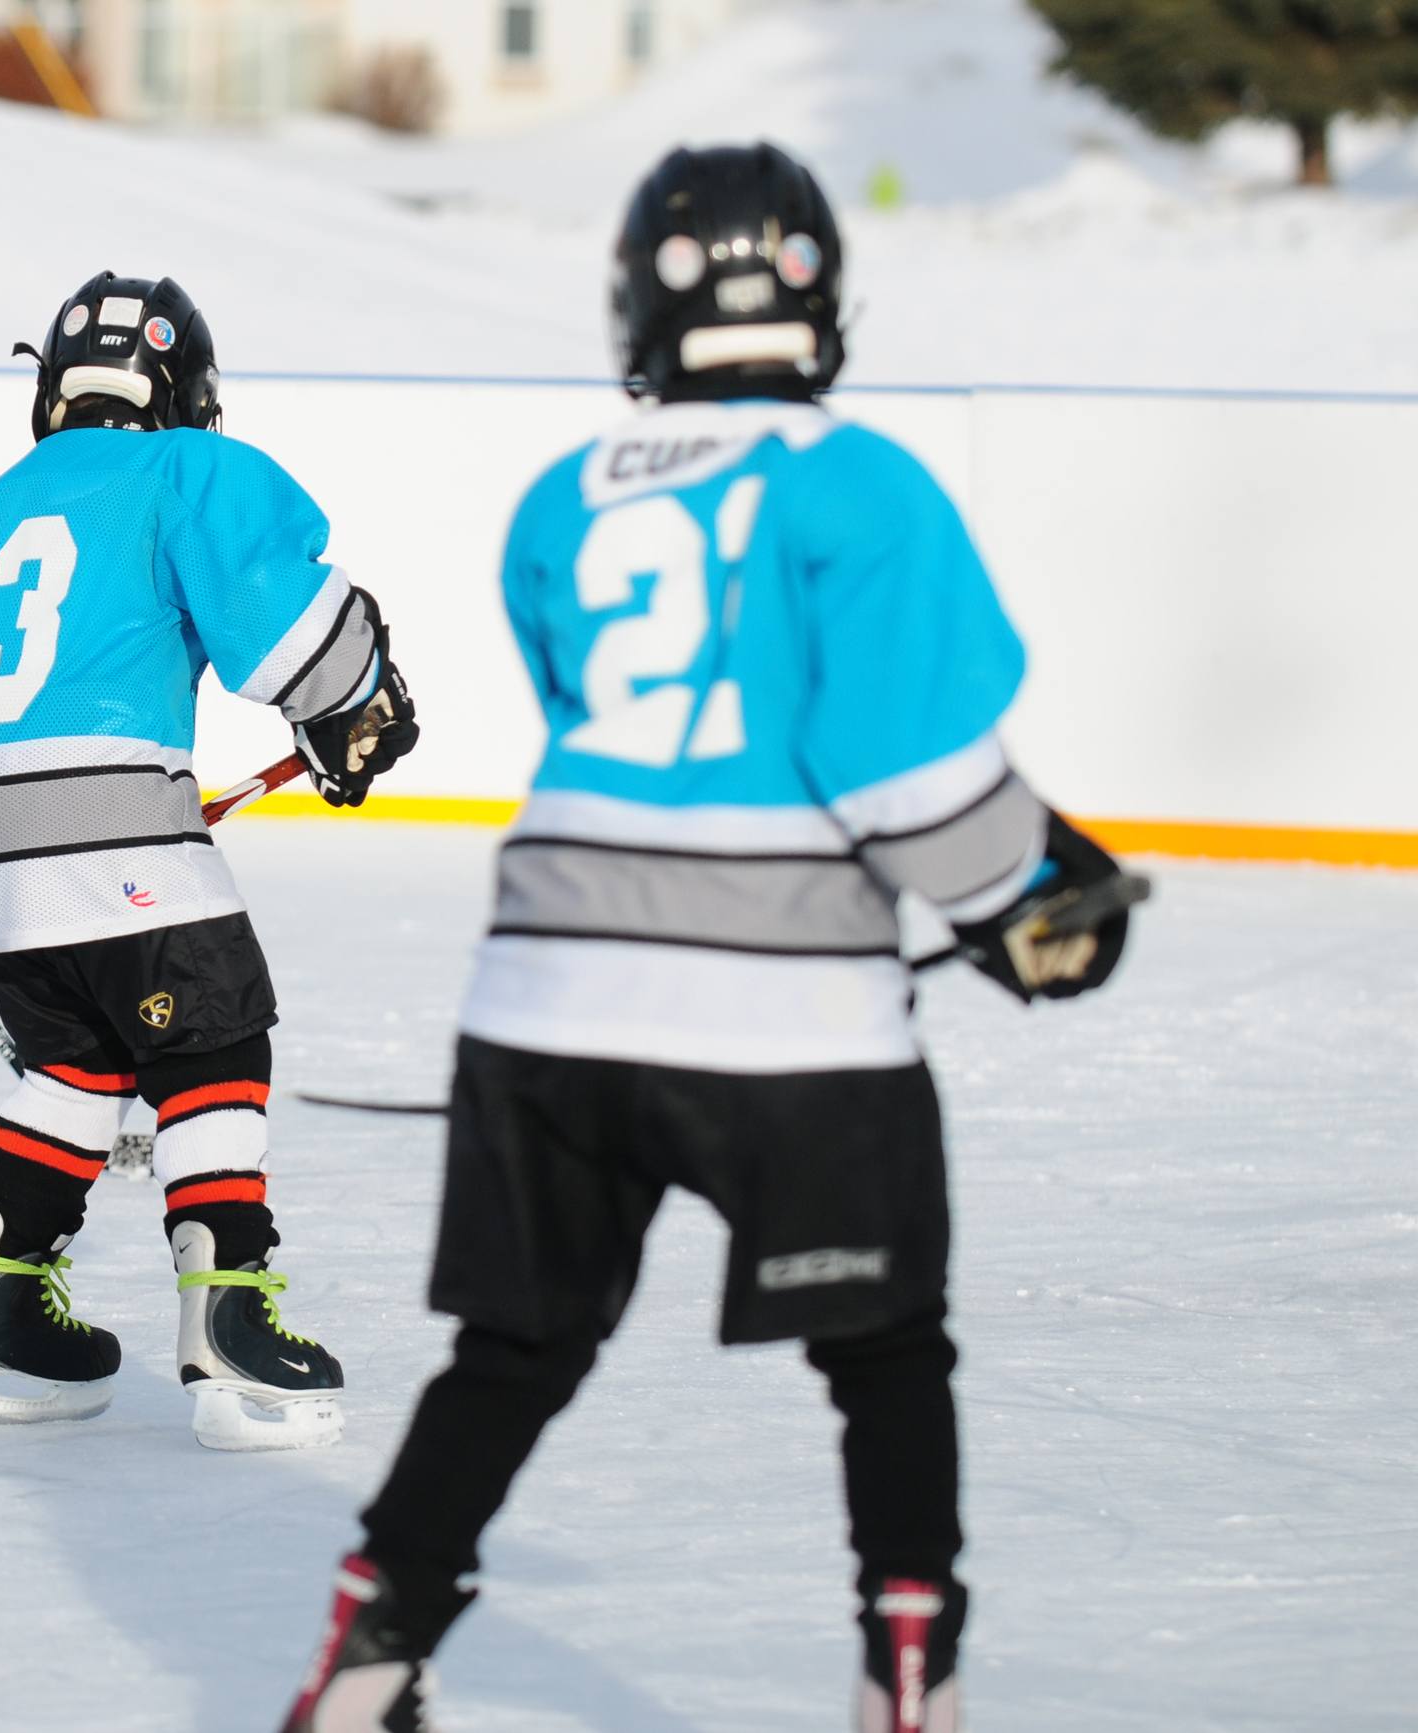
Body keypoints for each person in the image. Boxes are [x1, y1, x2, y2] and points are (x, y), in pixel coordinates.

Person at [280, 143, 1141, 1732]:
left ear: (638, 302)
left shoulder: (560, 495)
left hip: (543, 994)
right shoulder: (861, 479)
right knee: (886, 1356)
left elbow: (614, 739)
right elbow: (900, 767)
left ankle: (371, 1657)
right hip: (788, 1028)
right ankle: (912, 1677)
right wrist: (1023, 896)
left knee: (515, 1349)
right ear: (821, 298)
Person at [0, 271, 419, 1450]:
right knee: (214, 1036)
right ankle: (232, 1323)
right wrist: (358, 698)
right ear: (185, 389)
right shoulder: (187, 467)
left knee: (81, 1062)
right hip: (107, 830)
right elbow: (291, 632)